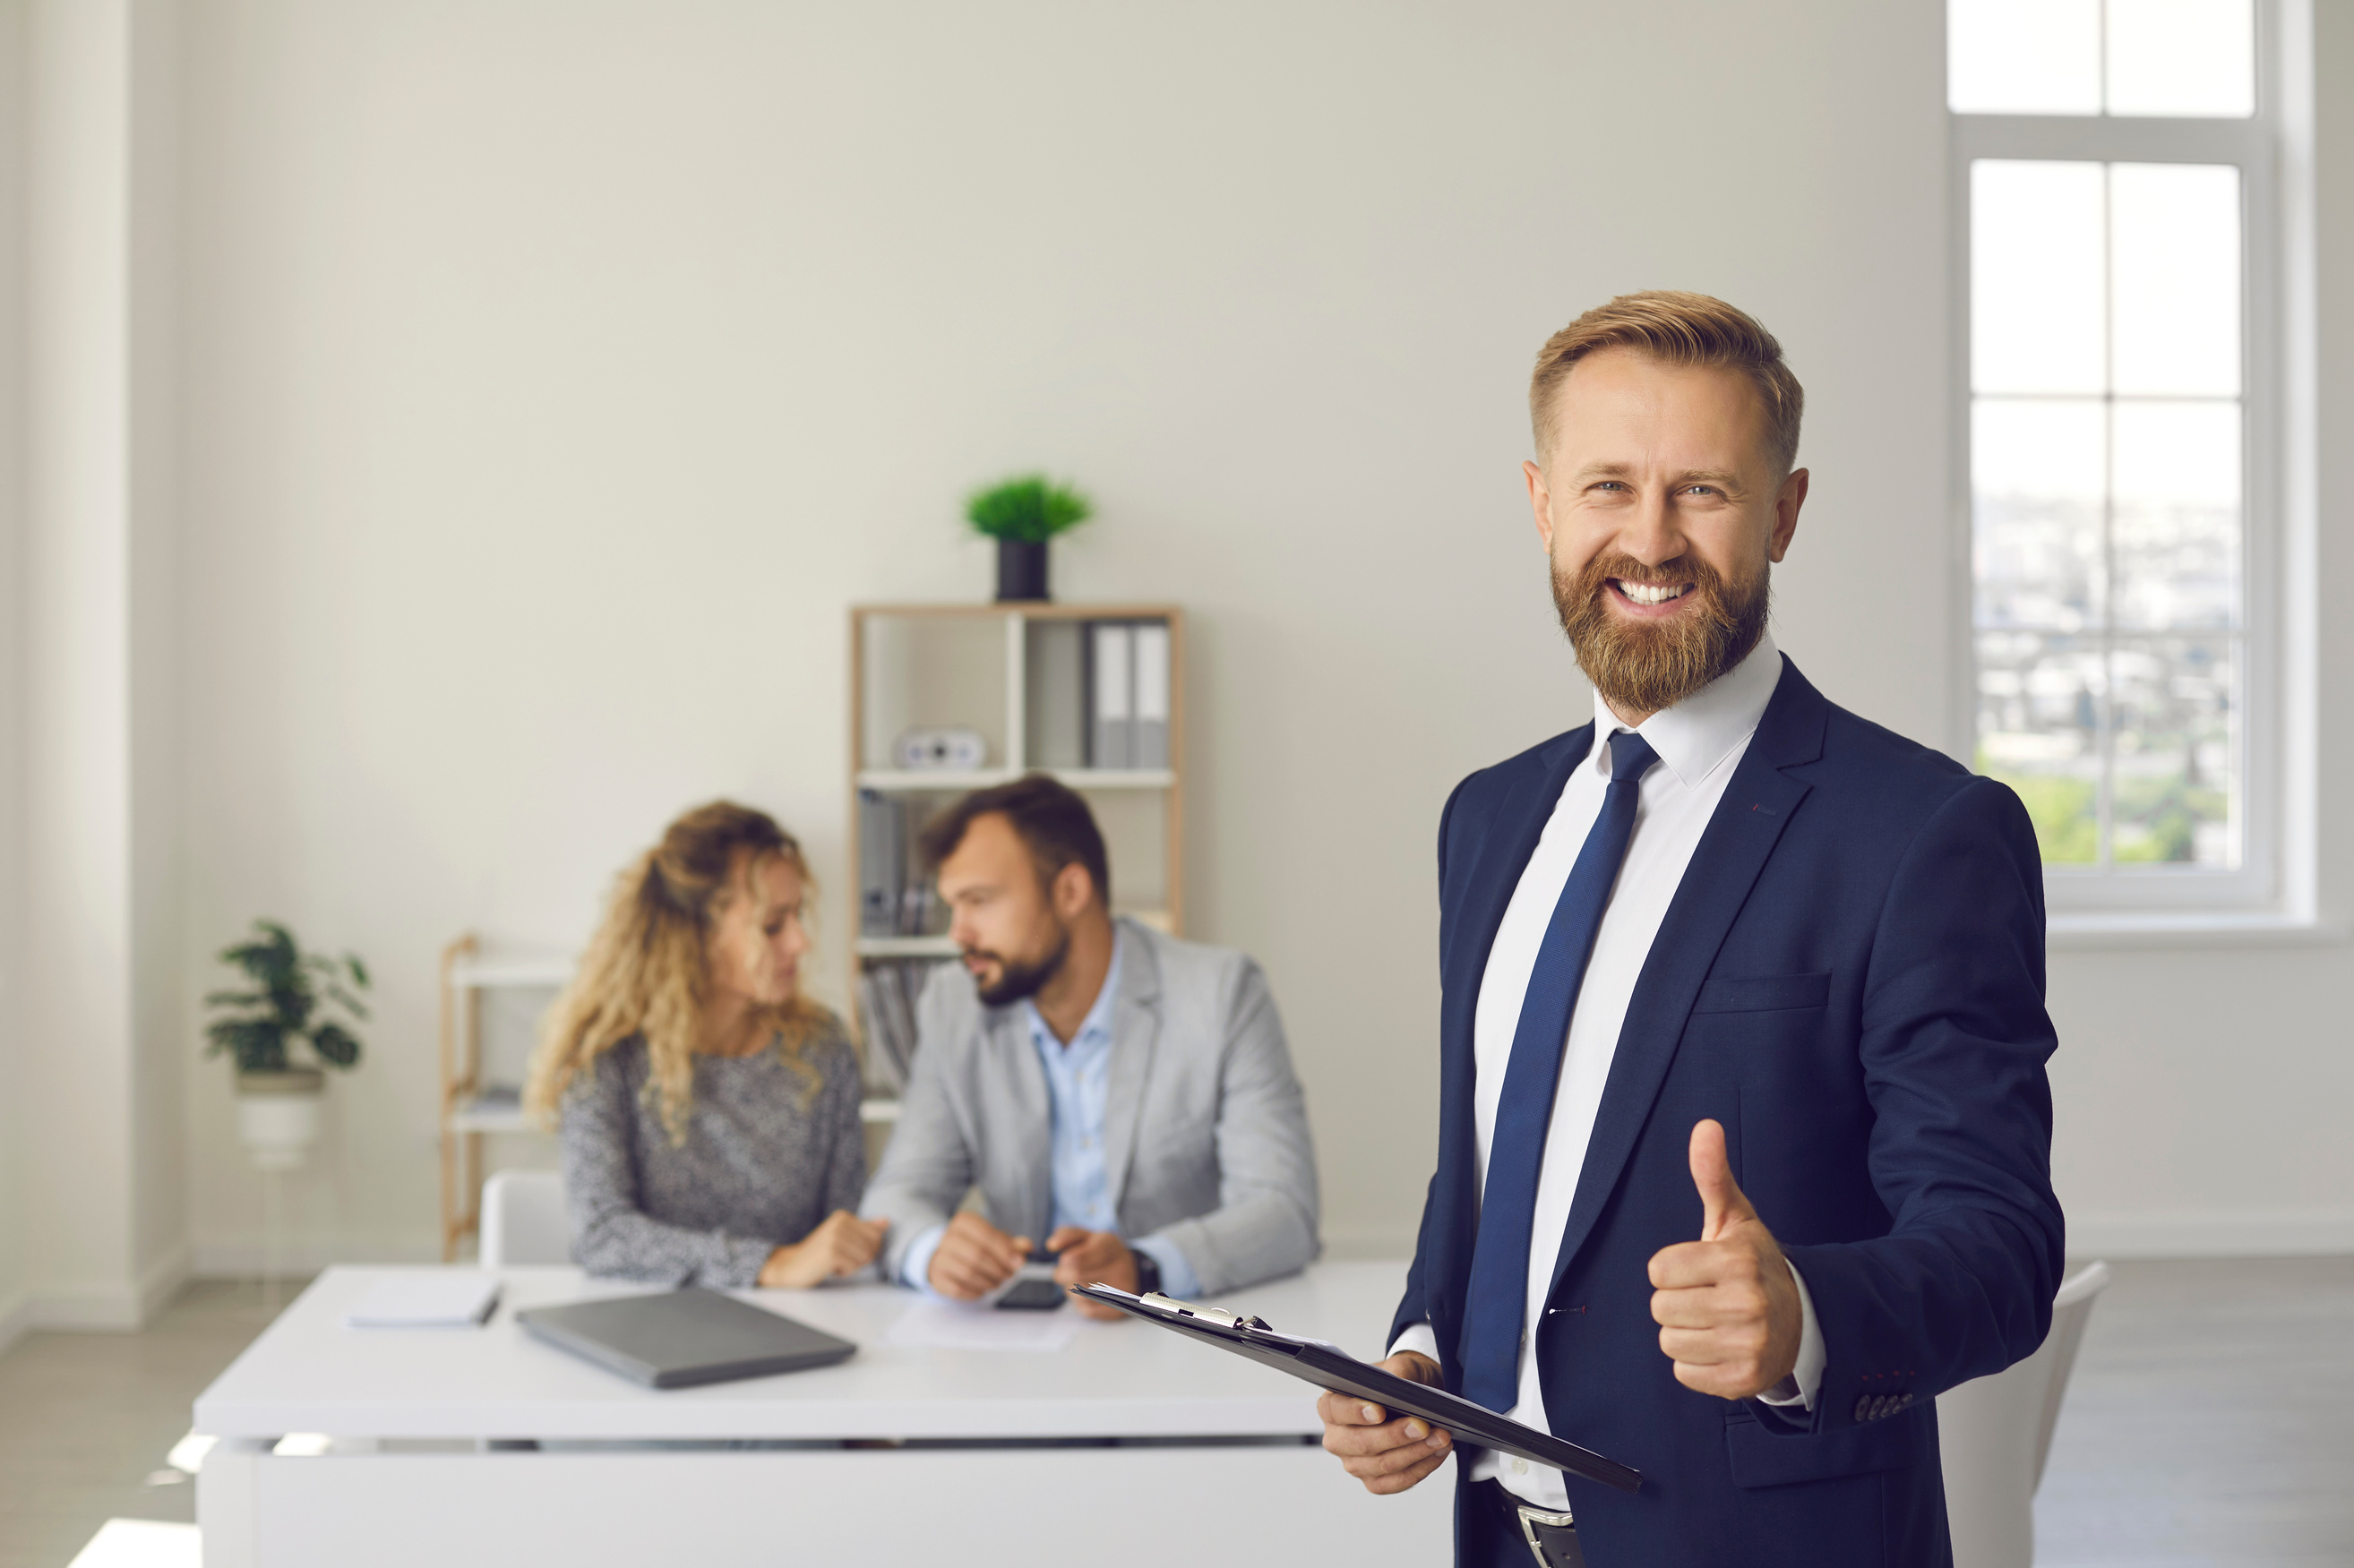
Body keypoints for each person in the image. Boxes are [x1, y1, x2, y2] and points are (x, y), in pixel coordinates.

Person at [1317, 293, 2063, 1567]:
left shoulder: (1924, 832)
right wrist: (1424, 1350)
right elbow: (1497, 1162)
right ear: (1545, 501)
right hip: (1502, 1533)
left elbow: (1999, 1244)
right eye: (1608, 485)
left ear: (1783, 512)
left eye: (1703, 490)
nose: (1649, 539)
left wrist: (1807, 1313)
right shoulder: (1488, 818)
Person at [861, 774, 1319, 1317]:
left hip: (1184, 1339)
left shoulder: (1221, 995)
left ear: (1071, 892)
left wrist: (1144, 1268)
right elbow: (896, 1196)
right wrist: (932, 1250)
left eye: (978, 901)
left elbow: (1283, 1209)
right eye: (951, 906)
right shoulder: (952, 1004)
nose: (958, 933)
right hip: (1020, 1347)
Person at [525, 801, 887, 1288]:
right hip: (651, 1326)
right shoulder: (606, 1055)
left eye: (798, 916)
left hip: (797, 1325)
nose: (801, 942)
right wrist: (770, 1266)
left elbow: (843, 1227)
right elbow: (603, 1236)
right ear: (694, 935)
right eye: (773, 925)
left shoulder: (823, 1048)